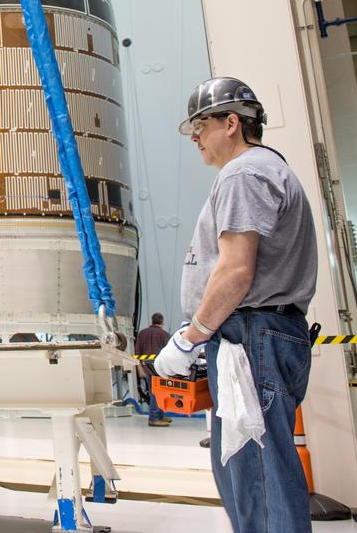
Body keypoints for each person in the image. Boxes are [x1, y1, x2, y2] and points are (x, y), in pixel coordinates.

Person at [153, 77, 317, 533]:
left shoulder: (244, 174)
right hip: (253, 337)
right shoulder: (262, 170)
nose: (194, 138)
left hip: (251, 337)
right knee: (247, 474)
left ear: (231, 123)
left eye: (199, 125)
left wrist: (190, 337)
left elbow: (236, 271)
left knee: (258, 481)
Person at [135, 313, 172, 426]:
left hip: (146, 368)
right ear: (162, 322)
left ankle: (159, 415)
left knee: (154, 392)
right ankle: (154, 418)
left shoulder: (142, 333)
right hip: (159, 369)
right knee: (158, 393)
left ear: (152, 321)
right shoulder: (164, 334)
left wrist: (139, 368)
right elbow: (170, 354)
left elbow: (137, 352)